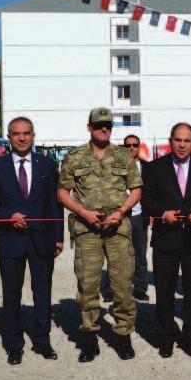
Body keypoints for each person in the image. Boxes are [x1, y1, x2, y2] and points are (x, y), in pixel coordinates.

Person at [57, 108, 142, 363]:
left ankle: (123, 334)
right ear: (89, 127)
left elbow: (136, 189)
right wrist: (83, 212)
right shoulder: (74, 157)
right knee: (88, 285)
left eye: (108, 125)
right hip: (87, 229)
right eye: (98, 125)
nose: (104, 129)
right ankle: (89, 337)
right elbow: (62, 192)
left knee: (122, 285)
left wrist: (122, 210)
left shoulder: (123, 156)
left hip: (118, 229)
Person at [0, 117, 64, 365]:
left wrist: (58, 237)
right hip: (10, 240)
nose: (21, 138)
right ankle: (14, 344)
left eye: (26, 133)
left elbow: (55, 205)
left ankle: (42, 341)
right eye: (16, 134)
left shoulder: (47, 165)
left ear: (33, 135)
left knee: (42, 293)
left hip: (42, 239)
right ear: (9, 137)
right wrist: (7, 216)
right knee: (11, 294)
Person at [141, 122, 191, 358]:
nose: (182, 145)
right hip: (165, 240)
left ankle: (189, 338)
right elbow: (146, 199)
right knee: (164, 292)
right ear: (170, 141)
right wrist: (163, 214)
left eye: (187, 140)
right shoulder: (154, 168)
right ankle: (165, 338)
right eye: (178, 140)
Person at [122, 134, 150, 302]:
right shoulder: (116, 167)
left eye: (134, 145)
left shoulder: (147, 167)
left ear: (139, 146)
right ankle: (113, 288)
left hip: (139, 216)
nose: (131, 148)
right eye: (128, 145)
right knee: (117, 254)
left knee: (140, 253)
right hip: (120, 216)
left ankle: (140, 287)